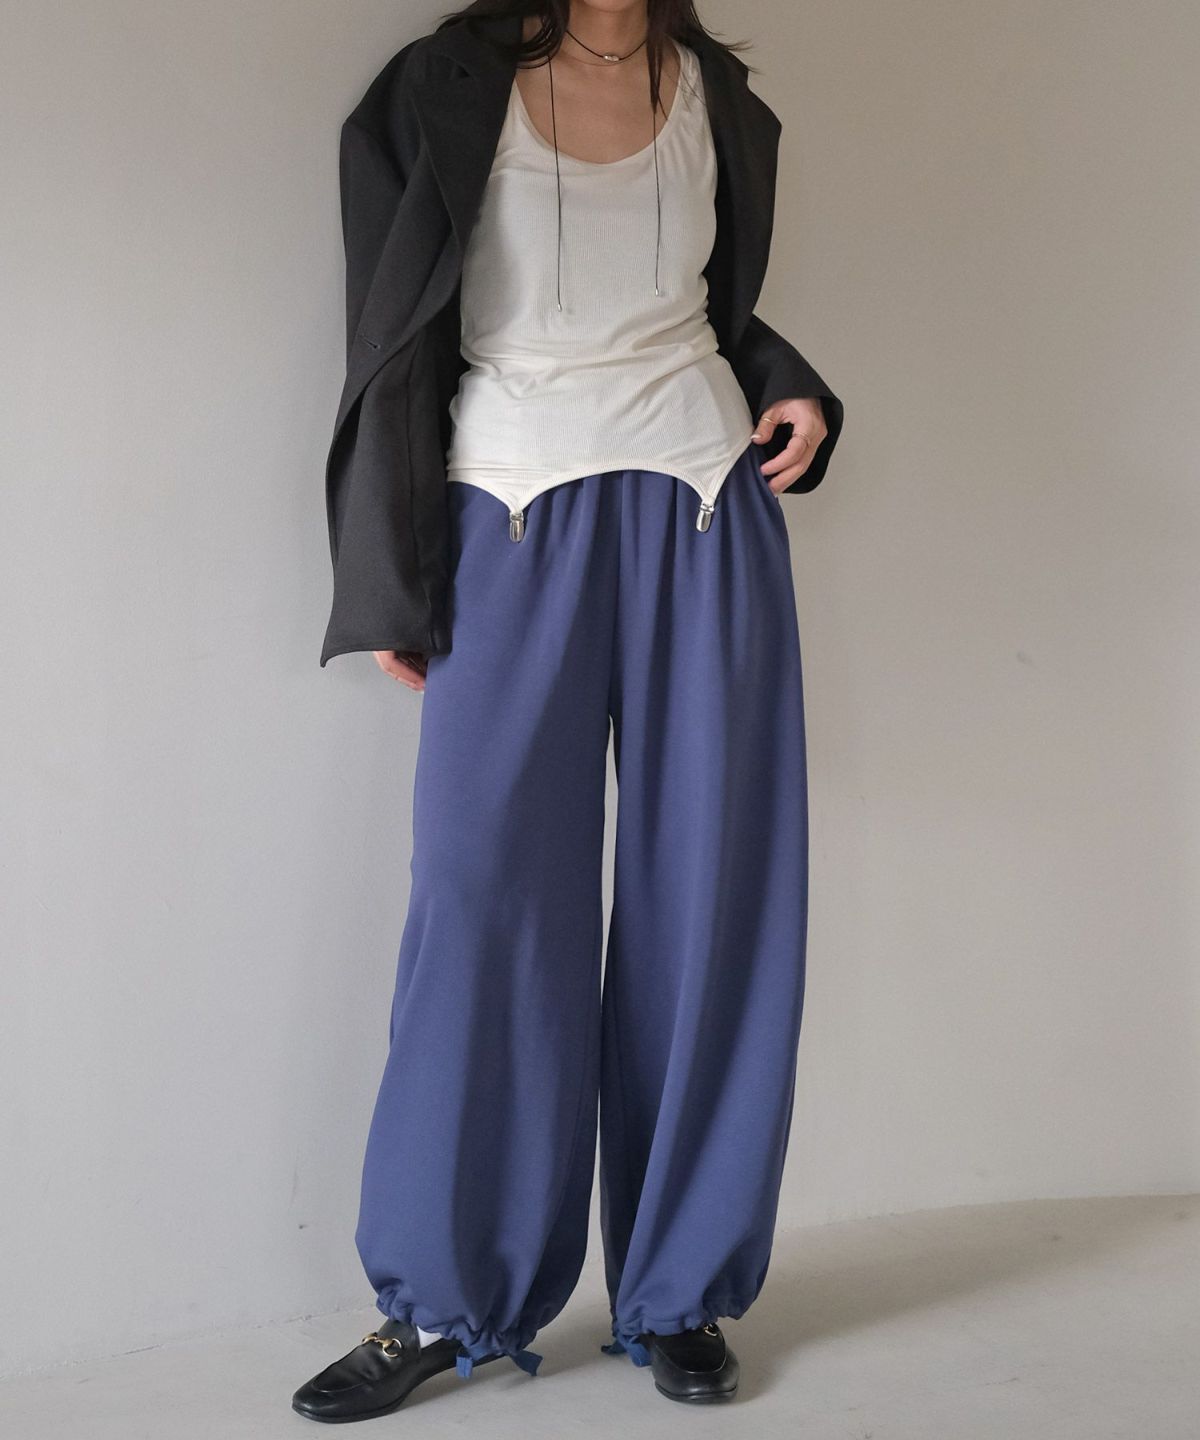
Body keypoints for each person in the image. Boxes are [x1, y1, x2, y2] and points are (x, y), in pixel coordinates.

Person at [293, 0, 844, 1421]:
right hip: (505, 517)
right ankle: (444, 1297)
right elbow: (389, 330)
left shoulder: (715, 94)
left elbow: (698, 309)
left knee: (709, 900)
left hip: (707, 512)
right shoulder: (439, 85)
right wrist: (391, 575)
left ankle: (679, 1293)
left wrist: (789, 386)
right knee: (482, 898)